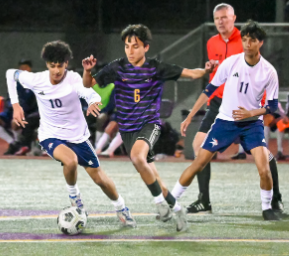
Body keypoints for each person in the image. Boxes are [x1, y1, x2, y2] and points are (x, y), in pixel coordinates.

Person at [82, 24, 214, 231]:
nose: (130, 51)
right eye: (127, 46)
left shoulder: (156, 68)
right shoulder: (117, 67)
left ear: (146, 48)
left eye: (135, 46)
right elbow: (88, 84)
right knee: (155, 180)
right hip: (127, 130)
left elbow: (190, 73)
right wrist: (87, 71)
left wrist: (205, 70)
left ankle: (160, 204)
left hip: (149, 124)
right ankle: (177, 210)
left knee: (137, 157)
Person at [6, 40, 136, 228]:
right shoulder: (36, 79)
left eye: (60, 65)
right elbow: (11, 74)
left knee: (99, 178)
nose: (57, 70)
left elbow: (89, 93)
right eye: (52, 66)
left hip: (78, 136)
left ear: (66, 63)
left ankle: (121, 208)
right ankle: (74, 196)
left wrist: (93, 101)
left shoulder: (73, 78)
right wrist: (15, 105)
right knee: (70, 160)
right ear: (47, 65)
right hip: (50, 135)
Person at [171, 20, 281, 221]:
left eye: (252, 41)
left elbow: (273, 107)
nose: (247, 44)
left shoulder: (269, 71)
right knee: (198, 162)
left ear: (260, 43)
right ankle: (170, 203)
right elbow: (209, 90)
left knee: (264, 168)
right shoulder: (230, 63)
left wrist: (251, 113)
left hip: (251, 124)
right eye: (245, 40)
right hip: (225, 122)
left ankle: (267, 207)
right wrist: (190, 115)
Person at [0, 59, 39, 155]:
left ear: (30, 69)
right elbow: (9, 99)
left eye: (26, 67)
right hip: (11, 110)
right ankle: (13, 142)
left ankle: (21, 143)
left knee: (15, 121)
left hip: (27, 112)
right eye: (21, 67)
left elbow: (32, 104)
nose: (23, 69)